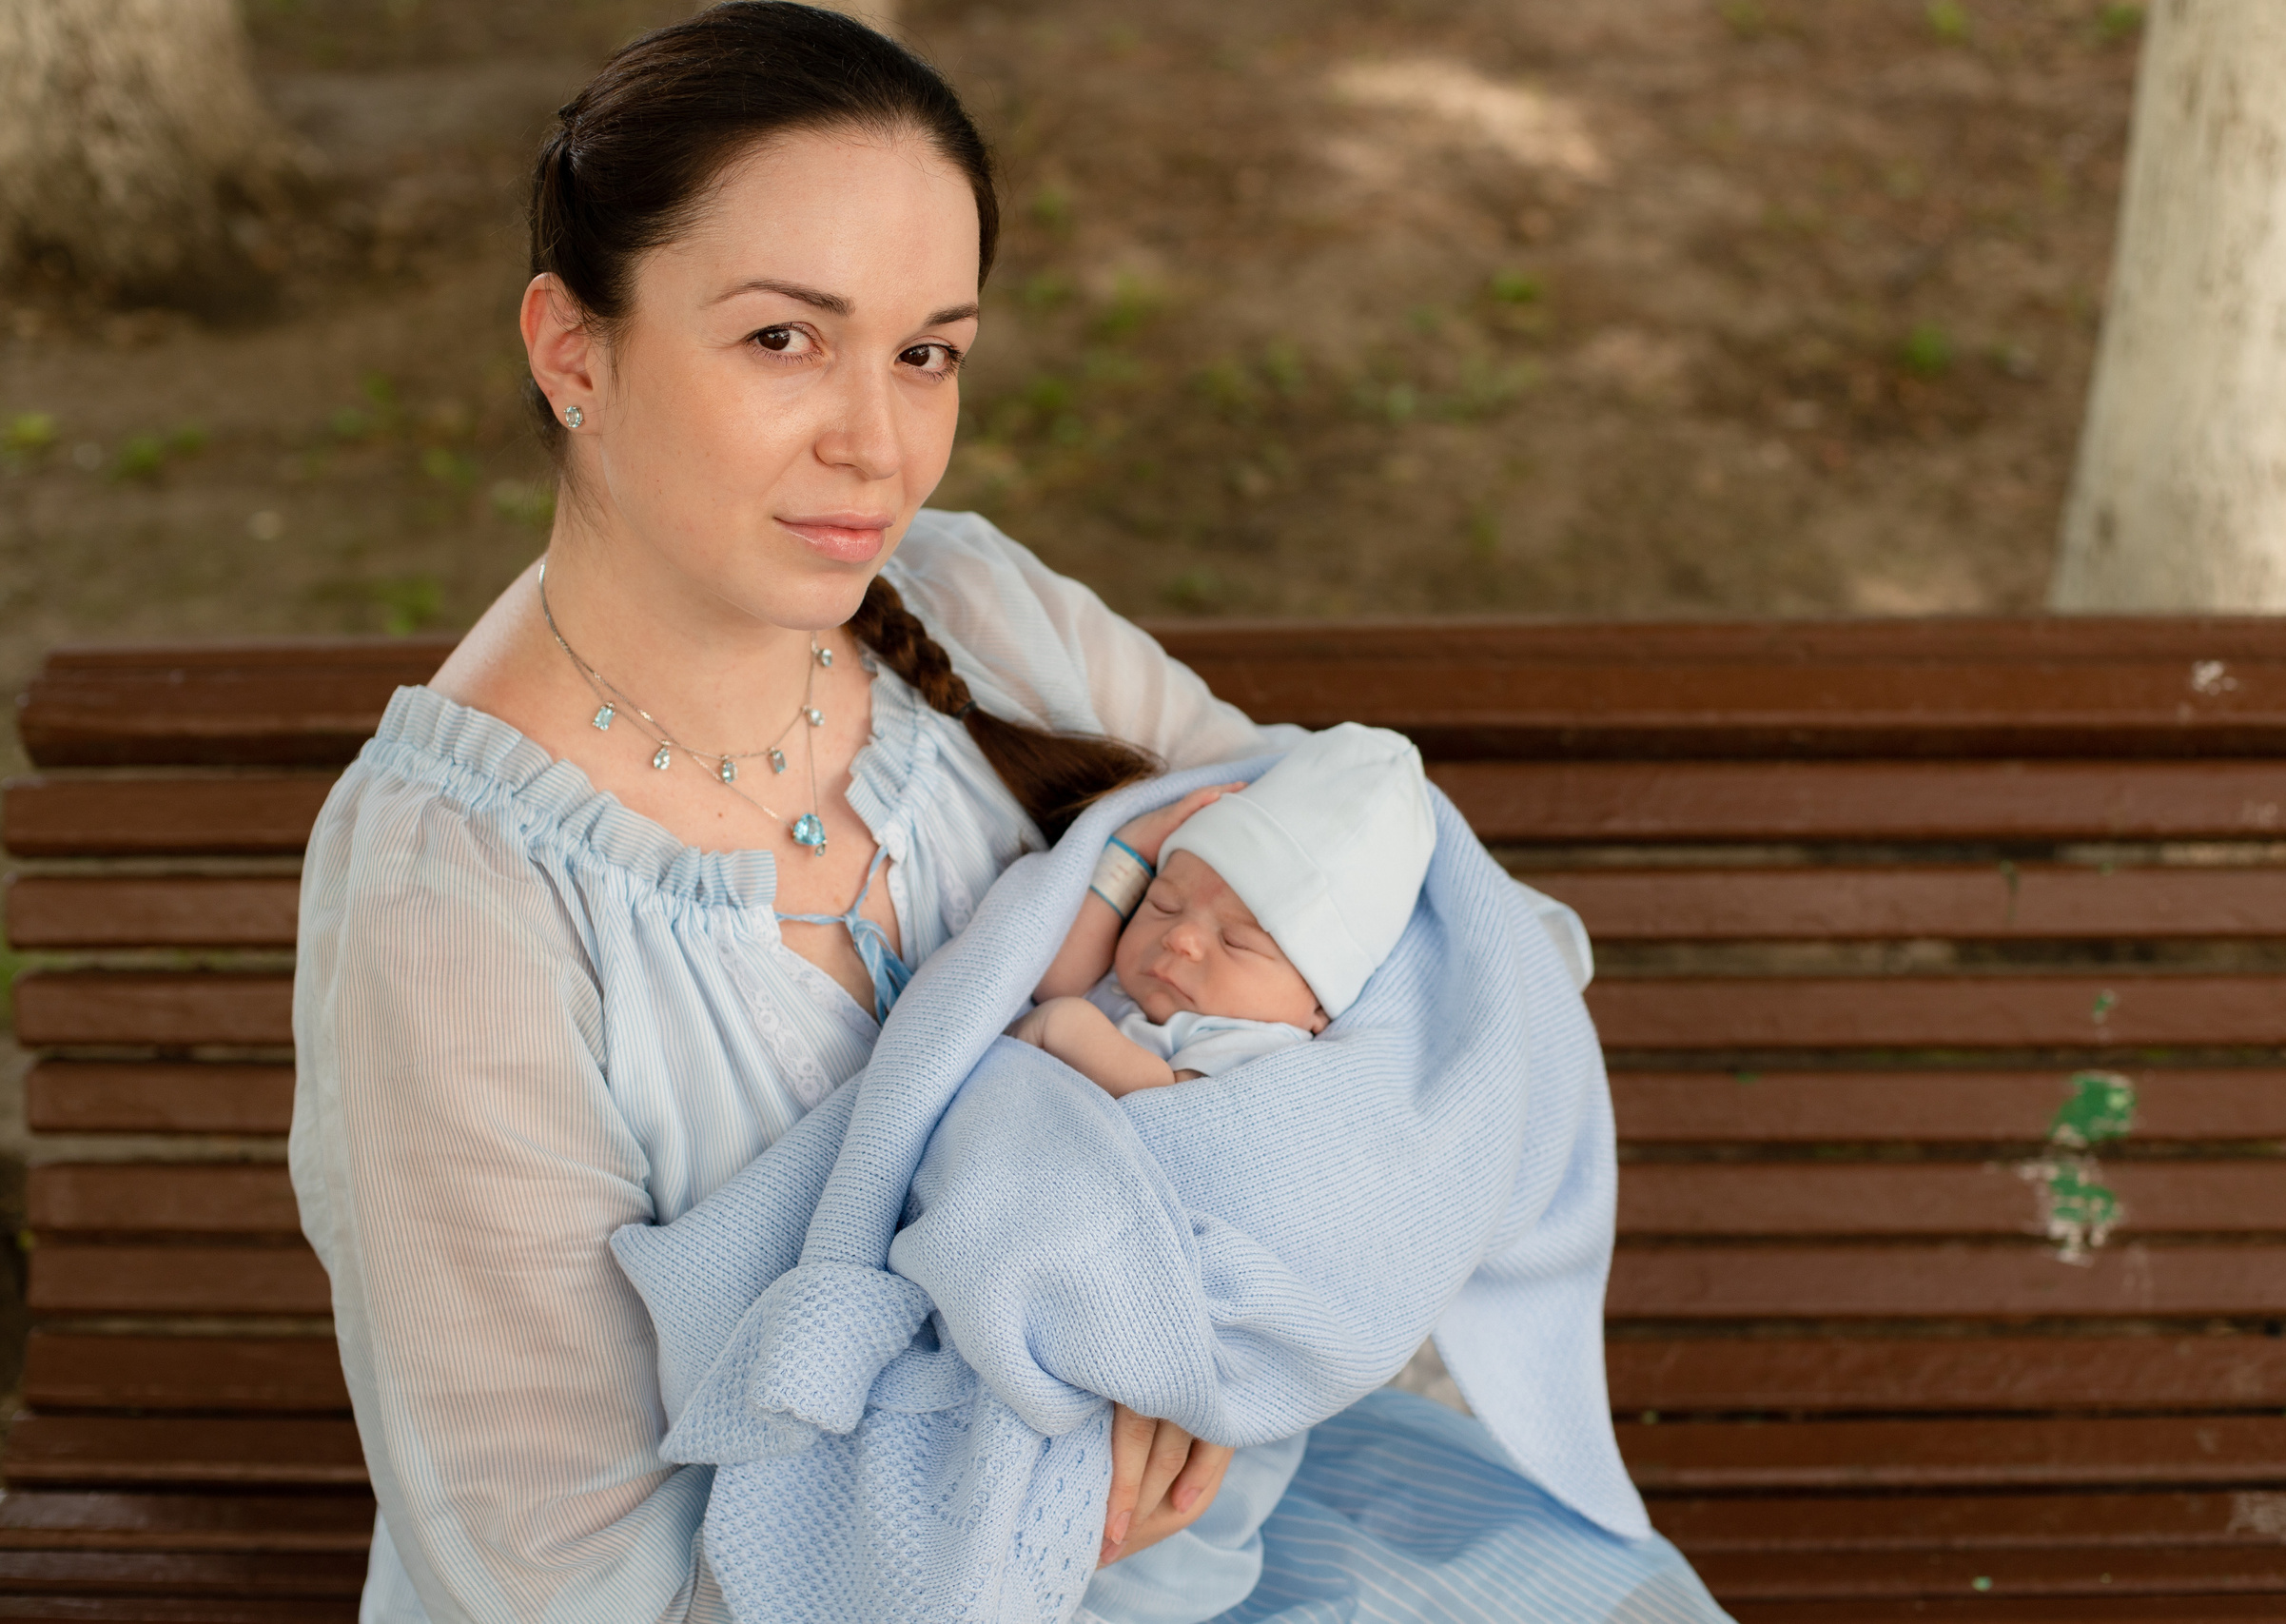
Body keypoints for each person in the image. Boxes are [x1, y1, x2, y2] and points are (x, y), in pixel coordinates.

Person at [287, 6, 1735, 1621]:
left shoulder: (973, 609)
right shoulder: (460, 892)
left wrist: (1214, 1320)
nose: (879, 440)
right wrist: (1012, 1511)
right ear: (575, 351)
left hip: (1216, 1542)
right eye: (783, 338)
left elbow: (1432, 939)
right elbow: (555, 1572)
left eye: (928, 351)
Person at [1014, 723, 1433, 1099]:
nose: (1179, 938)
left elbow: (1178, 1108)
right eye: (1163, 904)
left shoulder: (1256, 1043)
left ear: (1318, 1009)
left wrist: (1064, 1026)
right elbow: (1053, 980)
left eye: (1236, 941)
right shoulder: (1129, 983)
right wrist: (1130, 852)